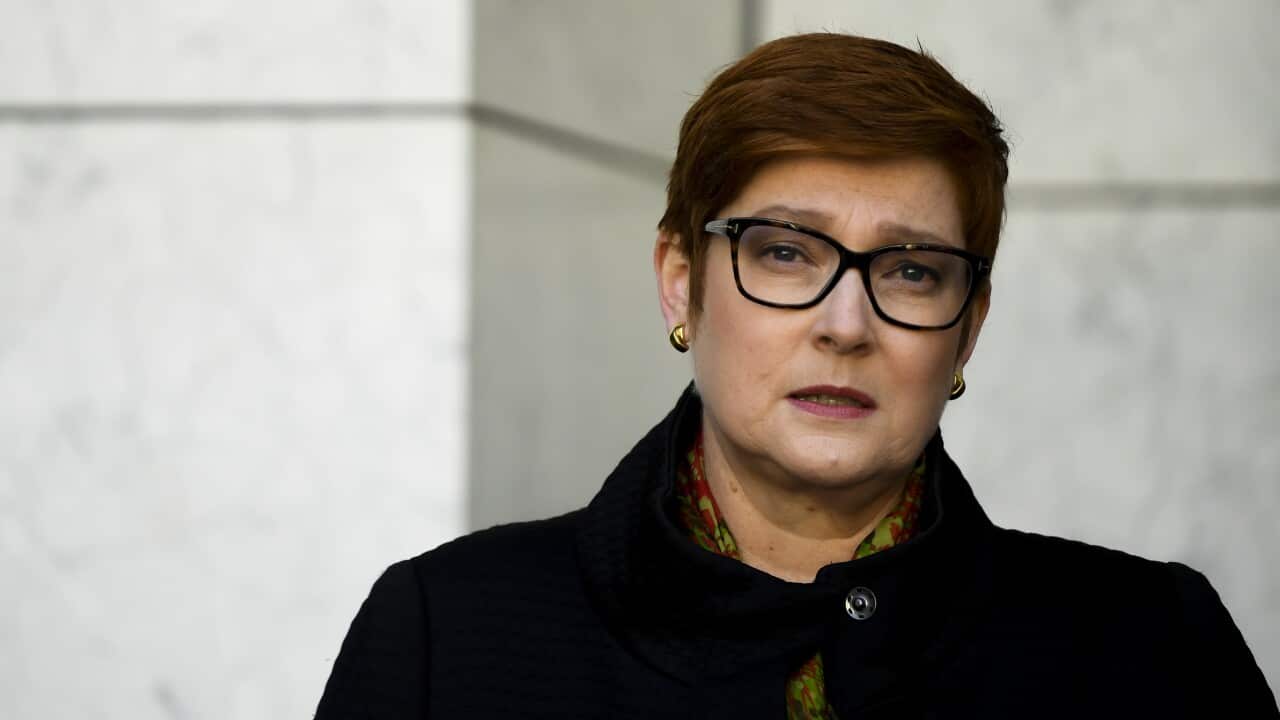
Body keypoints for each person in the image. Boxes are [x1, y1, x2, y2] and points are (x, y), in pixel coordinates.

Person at [315, 33, 1277, 718]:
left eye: (911, 270)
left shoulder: (1156, 648)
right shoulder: (448, 633)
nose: (845, 325)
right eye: (784, 253)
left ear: (968, 329)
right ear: (681, 282)